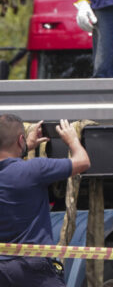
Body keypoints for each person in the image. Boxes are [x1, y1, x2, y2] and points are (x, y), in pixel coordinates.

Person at [0, 115, 91, 286]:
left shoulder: (29, 170)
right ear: (21, 140)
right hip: (32, 268)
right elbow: (83, 162)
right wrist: (73, 140)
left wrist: (26, 147)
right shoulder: (36, 169)